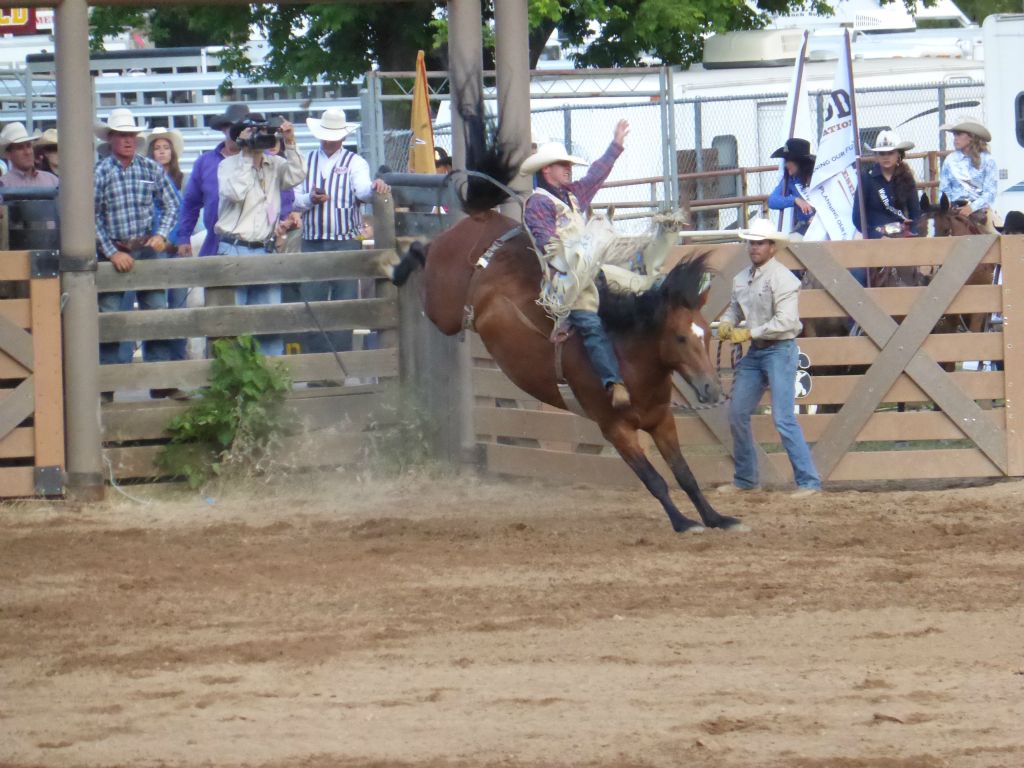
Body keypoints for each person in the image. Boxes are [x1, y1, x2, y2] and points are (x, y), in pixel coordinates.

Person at [522, 121, 631, 409]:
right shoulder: (538, 204)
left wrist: (616, 145)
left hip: (589, 270)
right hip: (565, 282)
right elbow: (550, 247)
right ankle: (613, 382)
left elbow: (596, 175)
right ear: (547, 169)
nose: (568, 168)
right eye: (562, 164)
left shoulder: (570, 195)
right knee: (590, 324)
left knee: (636, 291)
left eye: (568, 164)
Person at [717, 217, 822, 497]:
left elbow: (786, 322)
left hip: (779, 350)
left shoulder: (783, 279)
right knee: (737, 413)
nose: (754, 247)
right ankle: (746, 479)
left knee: (783, 417)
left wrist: (748, 334)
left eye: (760, 243)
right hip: (759, 351)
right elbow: (736, 310)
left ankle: (808, 481)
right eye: (752, 242)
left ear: (772, 247)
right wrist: (728, 322)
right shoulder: (742, 279)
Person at [93, 108, 181, 400]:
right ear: (111, 139)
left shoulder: (149, 168)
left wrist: (162, 234)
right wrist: (110, 251)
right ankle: (106, 386)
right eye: (122, 135)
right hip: (114, 251)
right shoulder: (100, 171)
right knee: (109, 319)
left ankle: (160, 380)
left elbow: (172, 204)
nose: (128, 140)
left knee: (156, 314)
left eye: (131, 135)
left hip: (145, 248)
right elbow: (89, 216)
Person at [292, 107, 389, 357]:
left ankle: (338, 362)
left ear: (343, 137)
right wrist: (311, 199)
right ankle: (317, 361)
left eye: (333, 135)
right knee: (313, 304)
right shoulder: (306, 161)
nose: (329, 140)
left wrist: (374, 187)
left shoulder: (355, 162)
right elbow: (293, 200)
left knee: (343, 304)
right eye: (326, 134)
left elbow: (362, 191)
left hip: (346, 241)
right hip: (314, 241)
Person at [215, 112, 305, 357]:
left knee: (269, 322)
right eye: (254, 133)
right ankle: (231, 385)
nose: (260, 138)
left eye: (264, 133)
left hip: (265, 249)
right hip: (234, 247)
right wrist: (245, 155)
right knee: (231, 323)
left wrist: (290, 141)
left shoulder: (274, 165)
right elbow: (236, 194)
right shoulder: (227, 165)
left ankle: (270, 381)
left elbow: (297, 176)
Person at [175, 103, 249, 258]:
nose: (238, 132)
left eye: (243, 128)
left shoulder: (262, 159)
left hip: (255, 243)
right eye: (234, 127)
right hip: (216, 243)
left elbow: (279, 194)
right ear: (224, 128)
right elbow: (191, 203)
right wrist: (184, 237)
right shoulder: (205, 162)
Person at [145, 127, 189, 366]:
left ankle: (178, 362)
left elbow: (186, 212)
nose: (162, 152)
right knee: (156, 306)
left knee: (179, 306)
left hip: (176, 247)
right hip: (154, 247)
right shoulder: (146, 179)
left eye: (165, 148)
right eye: (157, 148)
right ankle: (159, 367)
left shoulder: (183, 179)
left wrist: (178, 239)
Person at [939, 117, 999, 233]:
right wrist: (950, 206)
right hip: (954, 209)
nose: (955, 139)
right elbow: (944, 190)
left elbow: (990, 193)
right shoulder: (950, 160)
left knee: (993, 235)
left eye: (959, 135)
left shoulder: (988, 160)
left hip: (980, 211)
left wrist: (971, 208)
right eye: (954, 135)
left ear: (971, 137)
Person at [767, 137, 815, 237]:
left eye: (787, 160)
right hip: (804, 227)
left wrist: (818, 217)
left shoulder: (819, 175)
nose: (785, 164)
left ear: (798, 161)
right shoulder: (790, 180)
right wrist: (795, 200)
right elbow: (772, 201)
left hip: (826, 224)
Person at [0, 123, 58, 188]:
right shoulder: (3, 184)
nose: (27, 152)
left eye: (29, 146)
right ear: (8, 155)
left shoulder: (52, 180)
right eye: (20, 148)